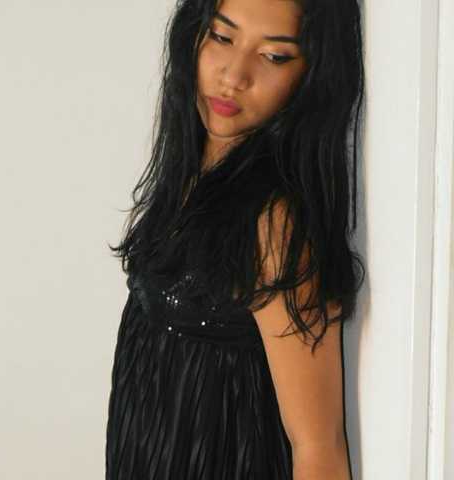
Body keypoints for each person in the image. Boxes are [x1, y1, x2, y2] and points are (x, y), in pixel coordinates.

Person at [105, 0, 365, 478]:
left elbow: (317, 443)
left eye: (274, 56)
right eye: (222, 37)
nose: (234, 76)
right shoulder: (188, 179)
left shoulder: (274, 223)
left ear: (312, 75)